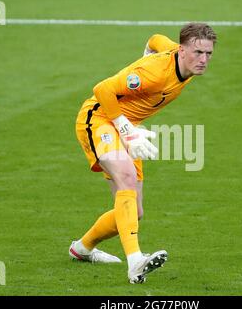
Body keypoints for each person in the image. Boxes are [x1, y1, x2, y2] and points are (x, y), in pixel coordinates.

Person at [70, 23, 217, 284]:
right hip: (100, 118)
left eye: (208, 54)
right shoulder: (155, 74)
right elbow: (102, 89)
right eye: (198, 53)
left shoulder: (181, 58)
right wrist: (125, 127)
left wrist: (147, 52)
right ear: (182, 50)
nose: (203, 60)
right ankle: (135, 262)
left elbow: (154, 39)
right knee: (126, 175)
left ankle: (82, 248)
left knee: (133, 211)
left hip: (127, 128)